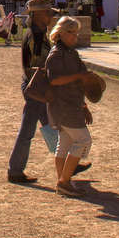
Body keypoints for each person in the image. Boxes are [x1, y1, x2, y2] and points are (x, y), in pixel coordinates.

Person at [7, 0, 66, 183]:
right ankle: (16, 170)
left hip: (35, 85)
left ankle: (66, 163)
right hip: (37, 86)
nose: (51, 16)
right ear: (39, 15)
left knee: (50, 125)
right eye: (48, 13)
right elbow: (35, 65)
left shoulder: (36, 32)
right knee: (30, 130)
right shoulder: (37, 35)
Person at [43, 15, 92, 197]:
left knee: (65, 143)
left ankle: (63, 182)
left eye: (76, 33)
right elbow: (54, 80)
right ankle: (64, 181)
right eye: (71, 33)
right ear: (61, 33)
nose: (75, 37)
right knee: (83, 140)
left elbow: (82, 77)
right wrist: (78, 77)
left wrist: (84, 105)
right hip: (63, 105)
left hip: (71, 103)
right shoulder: (56, 54)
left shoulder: (71, 53)